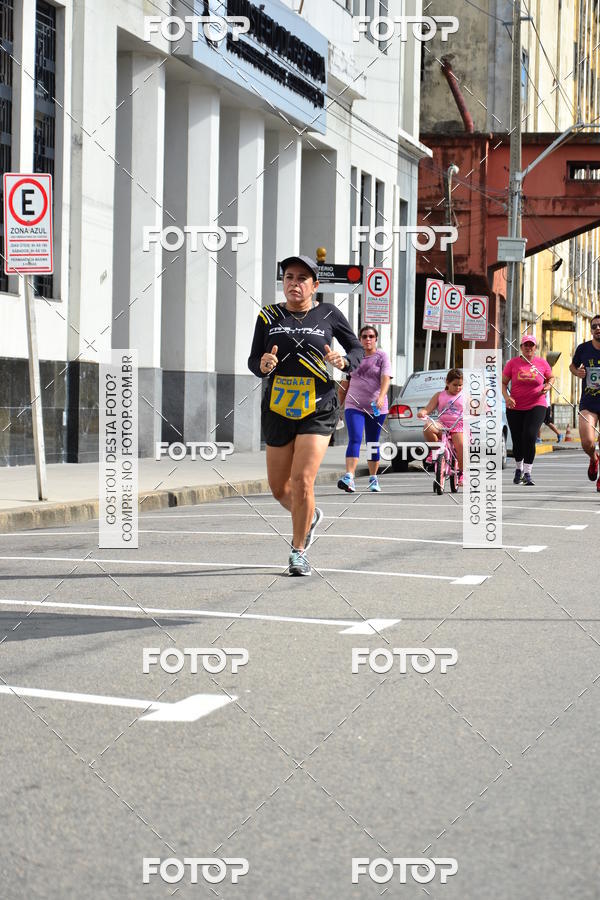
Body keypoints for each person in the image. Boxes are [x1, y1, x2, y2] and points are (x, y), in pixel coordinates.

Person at [248, 255, 363, 576]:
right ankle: (309, 516)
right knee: (278, 487)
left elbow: (356, 348)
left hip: (319, 404)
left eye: (301, 278)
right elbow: (254, 358)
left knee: (302, 481)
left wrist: (344, 362)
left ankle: (298, 551)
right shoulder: (268, 315)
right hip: (279, 405)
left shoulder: (328, 313)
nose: (294, 283)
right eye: (288, 277)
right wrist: (262, 365)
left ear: (314, 285)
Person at [336, 325, 392, 493]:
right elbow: (344, 384)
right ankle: (349, 477)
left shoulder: (382, 356)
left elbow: (386, 379)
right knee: (355, 438)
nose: (368, 339)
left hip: (376, 407)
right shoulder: (353, 357)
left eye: (371, 336)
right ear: (360, 339)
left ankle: (373, 478)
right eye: (364, 336)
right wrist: (339, 408)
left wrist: (381, 397)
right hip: (354, 406)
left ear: (376, 339)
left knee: (372, 442)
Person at [502, 335, 554, 486]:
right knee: (518, 440)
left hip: (537, 404)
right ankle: (518, 469)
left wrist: (548, 386)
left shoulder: (542, 363)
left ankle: (528, 473)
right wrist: (507, 397)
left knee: (530, 435)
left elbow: (551, 378)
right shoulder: (513, 363)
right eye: (526, 345)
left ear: (535, 348)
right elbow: (503, 383)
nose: (529, 347)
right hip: (515, 406)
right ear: (521, 347)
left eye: (532, 345)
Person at [417, 368, 464, 486]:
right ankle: (435, 450)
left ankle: (462, 473)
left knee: (461, 445)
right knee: (428, 426)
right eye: (455, 385)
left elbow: (475, 407)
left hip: (457, 425)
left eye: (460, 385)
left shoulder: (464, 395)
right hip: (442, 424)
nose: (458, 388)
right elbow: (428, 409)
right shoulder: (440, 395)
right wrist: (423, 412)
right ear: (447, 383)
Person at [570, 314, 600, 491]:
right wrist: (577, 373)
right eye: (594, 326)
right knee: (587, 442)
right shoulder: (583, 349)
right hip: (589, 402)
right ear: (591, 330)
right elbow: (572, 366)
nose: (598, 328)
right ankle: (593, 458)